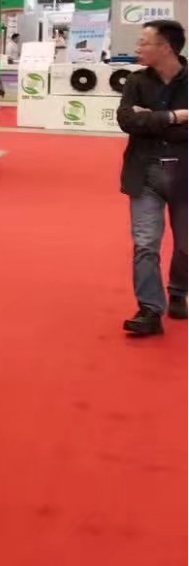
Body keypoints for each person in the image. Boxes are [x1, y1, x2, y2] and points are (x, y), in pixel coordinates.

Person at [115, 20, 187, 337]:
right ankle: (149, 309)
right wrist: (174, 117)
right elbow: (127, 120)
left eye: (144, 42)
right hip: (144, 171)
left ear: (166, 47)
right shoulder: (136, 80)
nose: (137, 48)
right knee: (145, 244)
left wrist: (150, 119)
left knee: (185, 246)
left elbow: (141, 122)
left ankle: (178, 291)